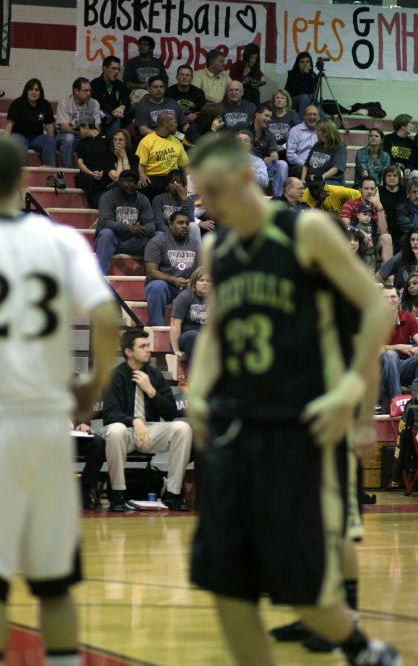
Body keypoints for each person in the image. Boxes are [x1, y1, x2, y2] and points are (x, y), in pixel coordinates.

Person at [187, 132, 400, 666]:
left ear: (243, 178)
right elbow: (216, 332)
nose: (205, 205)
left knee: (305, 589)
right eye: (199, 195)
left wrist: (354, 390)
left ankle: (360, 649)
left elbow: (378, 308)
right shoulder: (218, 249)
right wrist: (198, 388)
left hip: (298, 426)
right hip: (235, 425)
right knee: (226, 587)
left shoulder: (303, 230)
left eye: (212, 191)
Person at [0, 134, 119, 666]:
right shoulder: (58, 241)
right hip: (48, 426)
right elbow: (106, 317)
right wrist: (93, 387)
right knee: (54, 584)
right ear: (22, 181)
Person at [102, 327, 192, 511]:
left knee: (182, 428)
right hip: (126, 432)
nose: (148, 349)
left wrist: (151, 391)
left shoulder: (155, 375)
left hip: (151, 431)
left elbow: (170, 413)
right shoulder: (115, 376)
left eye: (148, 345)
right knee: (115, 430)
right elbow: (110, 414)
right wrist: (135, 420)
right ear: (128, 352)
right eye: (142, 346)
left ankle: (173, 494)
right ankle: (118, 495)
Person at [144, 211, 200, 326]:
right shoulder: (157, 242)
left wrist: (193, 281)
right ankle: (156, 327)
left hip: (187, 287)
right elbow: (151, 271)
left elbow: (202, 270)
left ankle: (194, 329)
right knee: (157, 286)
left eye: (187, 223)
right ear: (170, 225)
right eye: (180, 223)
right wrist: (172, 280)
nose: (184, 226)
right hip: (166, 286)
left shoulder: (196, 245)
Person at [95, 170, 155, 275]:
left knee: (159, 236)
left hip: (133, 241)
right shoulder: (108, 196)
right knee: (106, 233)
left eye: (134, 182)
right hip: (113, 240)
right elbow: (105, 222)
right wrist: (128, 228)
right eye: (128, 181)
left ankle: (154, 276)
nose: (131, 184)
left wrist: (143, 229)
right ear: (119, 181)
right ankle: (100, 278)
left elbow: (151, 224)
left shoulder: (142, 199)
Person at [379, 285, 418, 413]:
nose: (390, 300)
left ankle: (415, 405)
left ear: (399, 299)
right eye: (385, 298)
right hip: (381, 368)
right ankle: (397, 403)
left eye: (393, 296)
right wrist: (398, 347)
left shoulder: (408, 318)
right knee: (390, 355)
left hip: (404, 368)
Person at [136, 112, 190, 200]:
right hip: (153, 178)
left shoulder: (176, 141)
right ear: (165, 123)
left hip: (172, 178)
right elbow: (140, 164)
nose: (177, 125)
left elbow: (185, 166)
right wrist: (142, 175)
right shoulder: (147, 141)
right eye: (174, 122)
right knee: (145, 184)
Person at [5, 77, 57, 168]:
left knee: (50, 141)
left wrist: (52, 143)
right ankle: (23, 172)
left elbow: (50, 127)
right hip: (19, 135)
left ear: (40, 92)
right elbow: (9, 125)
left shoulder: (45, 104)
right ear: (26, 91)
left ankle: (49, 170)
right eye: (31, 89)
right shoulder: (18, 103)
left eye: (36, 90)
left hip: (37, 137)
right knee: (19, 144)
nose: (33, 92)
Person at [340, 176, 393, 263]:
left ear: (375, 191)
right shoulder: (350, 204)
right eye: (366, 188)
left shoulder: (378, 206)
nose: (369, 191)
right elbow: (344, 226)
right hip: (354, 239)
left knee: (387, 237)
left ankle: (387, 273)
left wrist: (379, 208)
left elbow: (383, 230)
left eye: (372, 189)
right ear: (360, 190)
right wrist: (361, 233)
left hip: (372, 240)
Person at [55, 78, 101, 168]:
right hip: (65, 136)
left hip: (84, 136)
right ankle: (68, 171)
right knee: (69, 138)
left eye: (89, 90)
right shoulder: (65, 102)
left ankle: (92, 169)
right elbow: (63, 127)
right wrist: (81, 132)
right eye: (85, 91)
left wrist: (89, 133)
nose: (89, 93)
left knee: (97, 138)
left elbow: (97, 127)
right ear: (76, 91)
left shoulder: (94, 103)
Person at [74, 114, 116, 208]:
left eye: (80, 128)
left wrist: (102, 172)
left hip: (104, 174)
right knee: (86, 179)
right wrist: (90, 172)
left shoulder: (107, 139)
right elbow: (80, 163)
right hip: (88, 174)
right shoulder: (81, 143)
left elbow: (111, 159)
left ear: (85, 126)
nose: (79, 132)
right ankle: (94, 205)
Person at [170, 266, 210, 363]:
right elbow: (175, 325)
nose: (205, 283)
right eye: (201, 280)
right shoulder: (184, 297)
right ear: (194, 282)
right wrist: (176, 350)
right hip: (185, 338)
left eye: (208, 281)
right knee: (194, 336)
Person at [90, 56, 130, 138]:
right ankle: (113, 140)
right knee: (115, 118)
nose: (116, 72)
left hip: (118, 116)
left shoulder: (119, 84)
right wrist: (115, 112)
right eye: (113, 68)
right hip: (101, 117)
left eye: (118, 69)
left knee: (133, 107)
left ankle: (119, 130)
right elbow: (100, 103)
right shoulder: (95, 84)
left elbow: (126, 98)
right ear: (104, 68)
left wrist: (122, 107)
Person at [152, 171, 198, 241]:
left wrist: (184, 200)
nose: (175, 185)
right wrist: (173, 234)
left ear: (184, 185)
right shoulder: (158, 199)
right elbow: (158, 223)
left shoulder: (189, 201)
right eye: (172, 182)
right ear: (167, 185)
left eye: (178, 182)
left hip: (183, 232)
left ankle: (195, 250)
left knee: (194, 226)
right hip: (165, 233)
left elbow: (190, 221)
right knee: (158, 235)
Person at [301, 119, 347, 186]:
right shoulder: (317, 145)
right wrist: (302, 180)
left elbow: (335, 169)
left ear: (325, 133)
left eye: (318, 130)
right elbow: (306, 165)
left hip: (332, 181)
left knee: (317, 187)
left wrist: (320, 178)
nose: (316, 132)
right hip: (313, 181)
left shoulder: (340, 148)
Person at [73, 423, 106, 510]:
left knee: (98, 443)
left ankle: (85, 489)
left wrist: (82, 424)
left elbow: (82, 415)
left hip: (75, 436)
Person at [378, 165, 409, 251]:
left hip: (402, 227)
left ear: (399, 178)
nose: (392, 178)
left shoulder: (405, 190)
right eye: (389, 175)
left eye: (395, 176)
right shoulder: (379, 190)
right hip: (386, 227)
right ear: (384, 178)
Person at [286, 104, 319, 175]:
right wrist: (306, 165)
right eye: (309, 114)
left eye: (314, 114)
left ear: (318, 117)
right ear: (304, 117)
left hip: (319, 165)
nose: (312, 117)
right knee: (300, 170)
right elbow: (290, 155)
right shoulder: (295, 131)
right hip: (300, 166)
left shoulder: (322, 131)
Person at [284, 51, 317, 118]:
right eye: (302, 62)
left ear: (310, 64)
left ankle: (324, 125)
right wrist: (305, 75)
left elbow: (311, 93)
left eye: (307, 62)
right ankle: (303, 123)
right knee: (304, 97)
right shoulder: (292, 74)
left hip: (306, 100)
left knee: (315, 100)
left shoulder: (313, 76)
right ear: (298, 64)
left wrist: (308, 75)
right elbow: (300, 92)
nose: (305, 64)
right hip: (291, 101)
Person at [382, 114, 415, 180]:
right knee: (399, 173)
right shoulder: (388, 139)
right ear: (402, 126)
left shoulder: (411, 142)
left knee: (416, 173)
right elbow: (387, 158)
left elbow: (411, 161)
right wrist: (398, 168)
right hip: (390, 168)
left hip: (405, 169)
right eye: (410, 123)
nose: (413, 126)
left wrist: (408, 168)